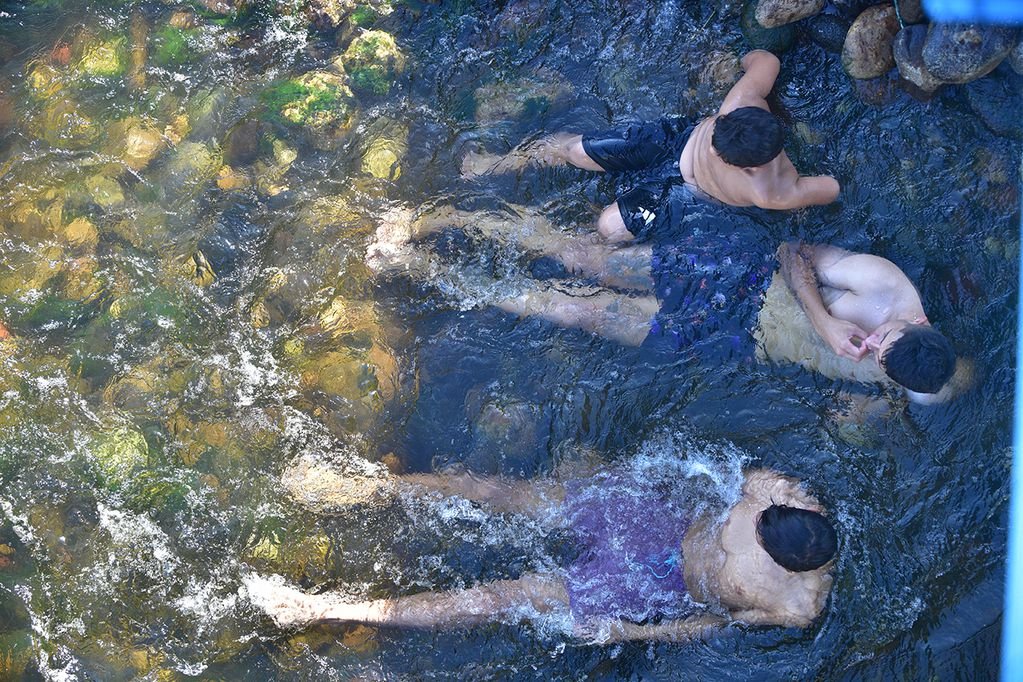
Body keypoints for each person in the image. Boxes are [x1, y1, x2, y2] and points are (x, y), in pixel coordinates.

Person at [367, 204, 963, 404]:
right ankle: (437, 217)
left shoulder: (925, 380)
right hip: (743, 283)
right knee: (588, 260)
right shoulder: (884, 286)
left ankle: (423, 270)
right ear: (915, 321)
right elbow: (792, 251)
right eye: (885, 341)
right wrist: (826, 320)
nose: (875, 348)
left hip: (739, 341)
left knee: (582, 311)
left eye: (879, 358)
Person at [244, 456, 837, 642]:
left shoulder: (797, 604)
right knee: (505, 495)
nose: (754, 521)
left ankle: (324, 607)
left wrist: (630, 634)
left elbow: (711, 627)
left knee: (506, 597)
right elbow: (727, 471)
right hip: (656, 521)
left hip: (652, 586)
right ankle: (368, 487)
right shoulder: (784, 498)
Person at [460, 49, 840, 246]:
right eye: (717, 133)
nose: (713, 148)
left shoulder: (773, 192)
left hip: (687, 194)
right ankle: (497, 162)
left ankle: (573, 247)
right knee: (575, 150)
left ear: (750, 169)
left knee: (609, 227)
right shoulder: (739, 103)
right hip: (675, 140)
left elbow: (835, 188)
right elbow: (765, 60)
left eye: (719, 150)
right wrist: (735, 61)